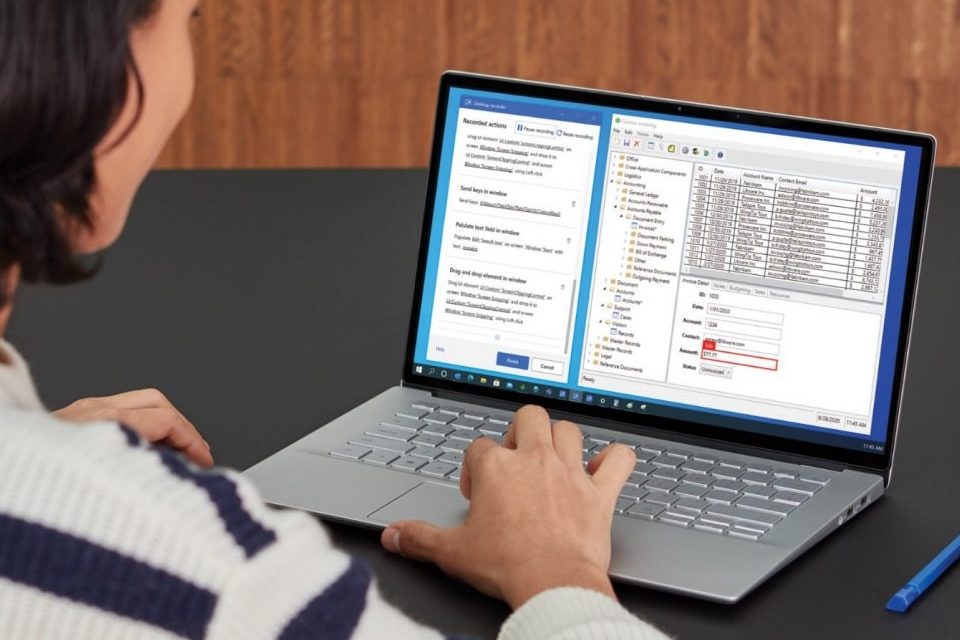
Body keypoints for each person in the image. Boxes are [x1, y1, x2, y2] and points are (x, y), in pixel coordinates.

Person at [0, 1, 670, 638]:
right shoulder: (207, 581)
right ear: (88, 61)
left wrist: (36, 453)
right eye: (188, 18)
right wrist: (560, 569)